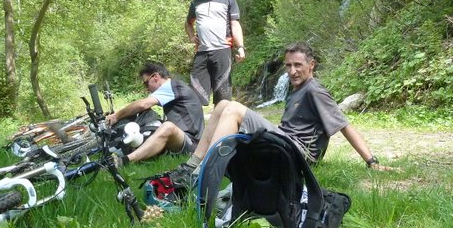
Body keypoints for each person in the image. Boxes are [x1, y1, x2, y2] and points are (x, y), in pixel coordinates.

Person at [165, 41, 393, 183]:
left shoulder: (315, 91)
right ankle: (192, 165)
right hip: (285, 141)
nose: (292, 71)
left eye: (298, 65)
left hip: (298, 153)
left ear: (311, 65)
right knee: (223, 105)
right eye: (288, 65)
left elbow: (344, 126)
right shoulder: (297, 88)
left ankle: (204, 173)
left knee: (232, 108)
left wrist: (371, 161)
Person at [106, 61, 204, 166]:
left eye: (146, 83)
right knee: (145, 113)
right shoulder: (175, 87)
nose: (146, 89)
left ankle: (125, 161)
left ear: (156, 77)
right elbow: (140, 107)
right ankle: (121, 144)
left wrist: (116, 116)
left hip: (191, 143)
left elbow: (143, 104)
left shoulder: (173, 86)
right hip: (182, 139)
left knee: (168, 127)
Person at [185, 0, 246, 106]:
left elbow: (235, 25)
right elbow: (188, 23)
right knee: (195, 95)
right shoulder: (196, 2)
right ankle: (197, 127)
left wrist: (241, 47)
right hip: (202, 52)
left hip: (222, 50)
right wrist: (191, 36)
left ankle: (223, 127)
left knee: (223, 97)